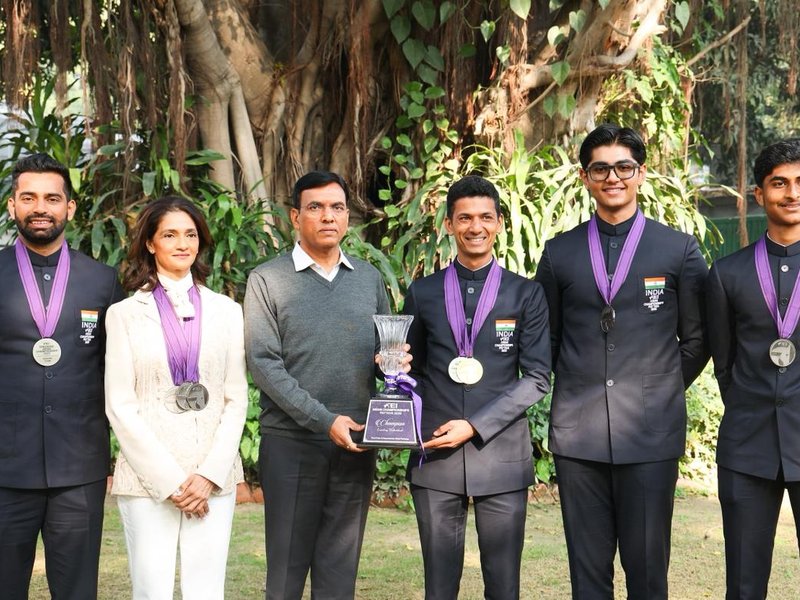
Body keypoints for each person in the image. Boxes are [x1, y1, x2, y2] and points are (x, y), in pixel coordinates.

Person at [534, 124, 708, 599]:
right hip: (578, 435)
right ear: (585, 177)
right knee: (587, 575)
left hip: (652, 435)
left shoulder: (678, 249)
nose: (613, 177)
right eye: (601, 169)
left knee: (648, 573)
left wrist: (658, 388)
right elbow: (546, 339)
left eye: (624, 167)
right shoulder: (559, 253)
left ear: (641, 173)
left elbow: (697, 340)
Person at [244, 171, 391, 600]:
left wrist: (393, 367)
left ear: (347, 217)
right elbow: (264, 365)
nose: (328, 216)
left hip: (356, 442)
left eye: (337, 207)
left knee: (339, 574)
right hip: (292, 444)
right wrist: (325, 421)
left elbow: (385, 353)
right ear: (295, 216)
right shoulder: (267, 280)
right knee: (286, 575)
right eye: (316, 207)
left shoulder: (368, 278)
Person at [403, 175, 551, 599]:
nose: (475, 227)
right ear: (449, 224)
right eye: (464, 218)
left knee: (503, 586)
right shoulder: (423, 292)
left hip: (500, 456)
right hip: (435, 453)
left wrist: (474, 425)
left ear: (499, 223)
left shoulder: (526, 294)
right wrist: (388, 367)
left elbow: (537, 377)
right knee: (439, 587)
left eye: (485, 217)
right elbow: (411, 370)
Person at [104, 196, 248, 599]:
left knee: (207, 590)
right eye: (169, 235)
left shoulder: (227, 311)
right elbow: (120, 405)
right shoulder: (124, 314)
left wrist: (208, 475)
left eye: (190, 234)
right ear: (151, 243)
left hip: (212, 478)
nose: (182, 244)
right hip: (148, 479)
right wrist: (170, 481)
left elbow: (236, 399)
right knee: (152, 590)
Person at [0, 153, 125, 600]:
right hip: (5, 467)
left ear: (69, 207)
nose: (41, 208)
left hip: (78, 468)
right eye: (29, 197)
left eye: (52, 198)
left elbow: (116, 370)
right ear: (12, 205)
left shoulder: (103, 281)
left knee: (77, 591)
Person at [707, 139, 800, 599]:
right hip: (747, 448)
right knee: (744, 584)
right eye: (779, 183)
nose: (792, 193)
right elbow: (723, 362)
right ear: (759, 194)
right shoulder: (727, 274)